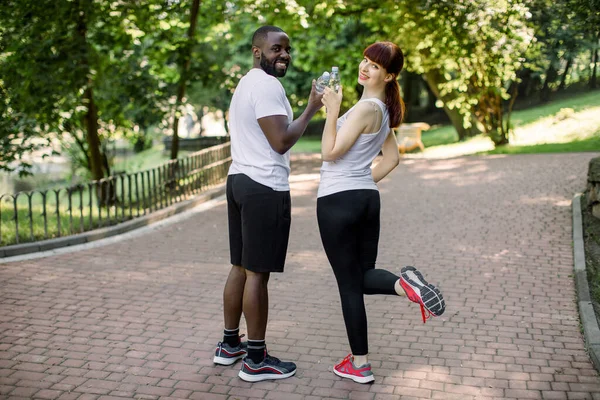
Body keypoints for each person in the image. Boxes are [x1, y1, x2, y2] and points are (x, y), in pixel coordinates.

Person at [317, 41, 446, 384]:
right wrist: (359, 182)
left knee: (348, 286)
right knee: (360, 277)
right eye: (365, 60)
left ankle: (359, 365)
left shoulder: (365, 109)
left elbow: (329, 153)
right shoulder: (384, 110)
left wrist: (332, 111)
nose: (365, 67)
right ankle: (407, 288)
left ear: (389, 75)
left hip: (337, 201)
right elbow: (392, 158)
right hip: (365, 199)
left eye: (375, 65)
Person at [213, 25, 323, 382]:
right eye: (277, 49)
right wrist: (311, 108)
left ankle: (230, 346)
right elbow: (280, 141)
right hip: (264, 187)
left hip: (239, 181)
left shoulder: (246, 83)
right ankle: (256, 360)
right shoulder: (267, 86)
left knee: (240, 268)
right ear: (258, 51)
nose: (284, 55)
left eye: (287, 49)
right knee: (257, 275)